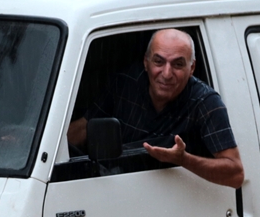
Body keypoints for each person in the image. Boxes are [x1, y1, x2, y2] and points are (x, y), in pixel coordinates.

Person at [67, 29, 245, 189]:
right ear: (146, 62)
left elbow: (236, 175)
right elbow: (84, 127)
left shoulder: (205, 102)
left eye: (177, 64)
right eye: (159, 62)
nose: (166, 74)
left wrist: (183, 159)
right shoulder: (125, 83)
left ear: (192, 68)